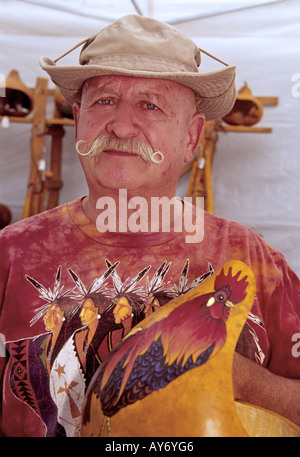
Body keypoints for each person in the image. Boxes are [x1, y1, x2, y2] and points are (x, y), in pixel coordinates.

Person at [0, 14, 299, 437]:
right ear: (79, 116)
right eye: (103, 100)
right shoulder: (9, 256)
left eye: (150, 105)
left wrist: (248, 383)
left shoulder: (254, 260)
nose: (121, 126)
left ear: (192, 137)